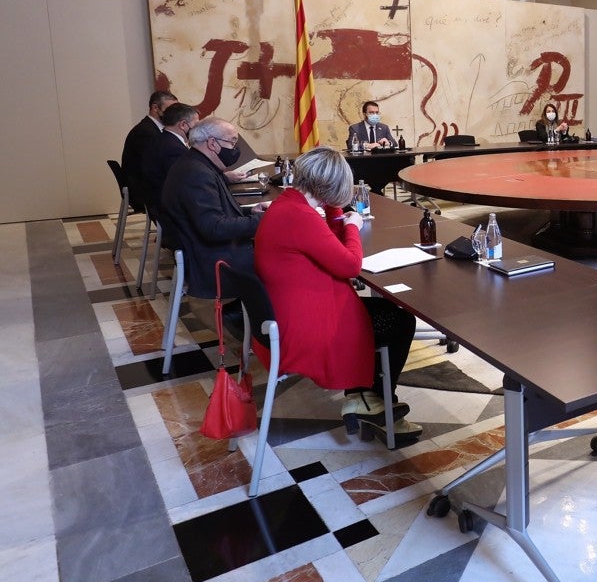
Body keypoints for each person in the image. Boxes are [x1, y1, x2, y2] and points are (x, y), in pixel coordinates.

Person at [254, 147, 422, 447]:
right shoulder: (299, 215)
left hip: (285, 309)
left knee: (383, 312)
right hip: (305, 323)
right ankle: (373, 400)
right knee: (399, 320)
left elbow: (322, 239)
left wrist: (335, 211)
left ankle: (362, 394)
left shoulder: (290, 204)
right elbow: (350, 265)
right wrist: (352, 226)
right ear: (332, 185)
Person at [160, 117, 268, 299]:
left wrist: (251, 212)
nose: (235, 148)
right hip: (213, 262)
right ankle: (254, 314)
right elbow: (214, 228)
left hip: (206, 251)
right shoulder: (196, 173)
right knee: (286, 261)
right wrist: (263, 220)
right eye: (232, 142)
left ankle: (246, 311)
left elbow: (214, 214)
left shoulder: (195, 164)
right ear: (212, 143)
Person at [138, 102, 199, 211]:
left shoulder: (162, 139)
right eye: (196, 125)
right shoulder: (173, 148)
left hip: (160, 200)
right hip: (169, 207)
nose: (197, 130)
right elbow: (186, 181)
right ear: (183, 125)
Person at [121, 90, 178, 189]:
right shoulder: (145, 132)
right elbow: (154, 166)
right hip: (144, 189)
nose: (174, 115)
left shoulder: (151, 129)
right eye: (170, 110)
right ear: (155, 108)